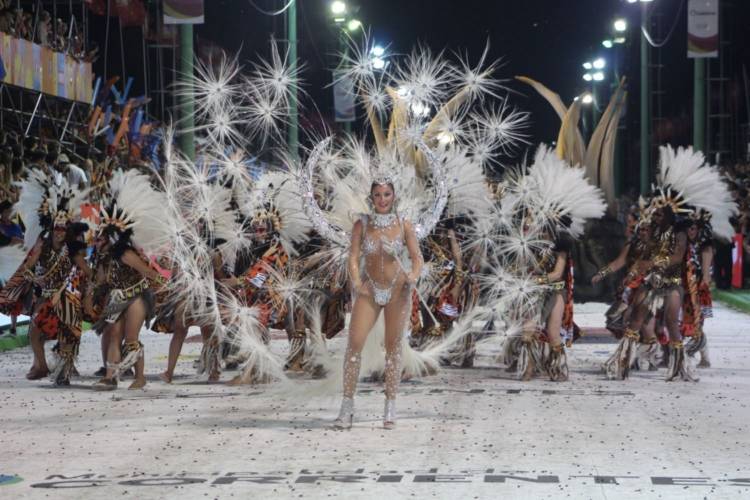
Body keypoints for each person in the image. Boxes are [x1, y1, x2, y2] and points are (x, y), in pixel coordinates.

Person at [333, 179, 423, 429]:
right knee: (354, 346)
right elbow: (353, 257)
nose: (382, 199)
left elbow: (417, 258)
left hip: (397, 291)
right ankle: (347, 407)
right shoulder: (362, 224)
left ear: (394, 196)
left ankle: (390, 407)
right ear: (371, 197)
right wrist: (356, 282)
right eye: (377, 195)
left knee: (394, 349)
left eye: (386, 194)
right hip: (370, 289)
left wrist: (413, 276)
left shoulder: (404, 224)